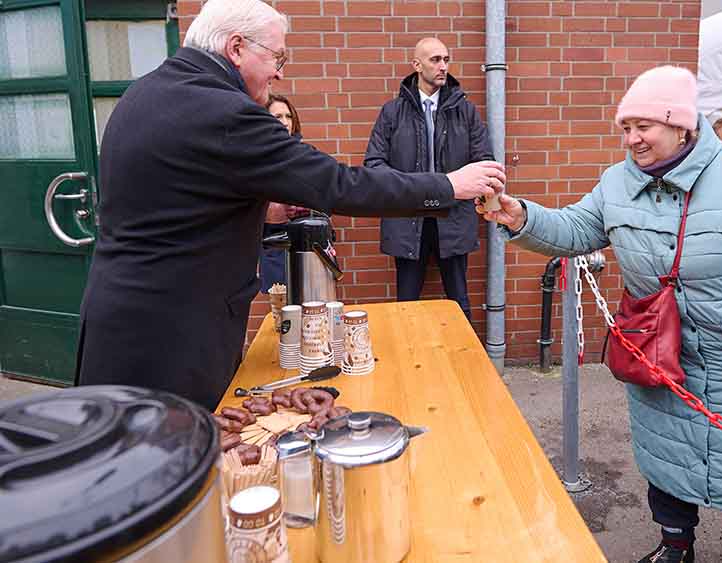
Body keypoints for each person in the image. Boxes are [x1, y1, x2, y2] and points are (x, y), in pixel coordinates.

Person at [75, 0, 505, 410]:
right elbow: (337, 184)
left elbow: (173, 206)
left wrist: (263, 216)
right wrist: (449, 185)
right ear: (237, 48)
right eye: (277, 58)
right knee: (176, 471)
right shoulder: (222, 111)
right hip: (171, 342)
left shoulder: (148, 92)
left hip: (122, 324)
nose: (279, 75)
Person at [480, 66, 722, 563]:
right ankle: (675, 545)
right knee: (669, 461)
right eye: (625, 128)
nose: (632, 139)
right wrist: (520, 217)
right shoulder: (616, 182)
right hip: (659, 353)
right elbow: (579, 228)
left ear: (681, 125)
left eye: (644, 126)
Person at [364, 37, 492, 321]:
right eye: (435, 60)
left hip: (454, 217)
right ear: (417, 65)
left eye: (446, 59)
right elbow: (374, 164)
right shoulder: (393, 112)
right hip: (407, 218)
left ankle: (465, 363)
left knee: (459, 302)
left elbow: (484, 161)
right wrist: (409, 190)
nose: (443, 66)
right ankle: (406, 363)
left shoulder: (465, 111)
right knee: (405, 305)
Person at [260, 93, 307, 293]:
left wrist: (306, 205)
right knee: (282, 311)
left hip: (306, 242)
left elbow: (326, 197)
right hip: (273, 241)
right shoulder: (253, 157)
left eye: (288, 117)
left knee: (312, 309)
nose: (285, 122)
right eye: (278, 117)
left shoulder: (306, 155)